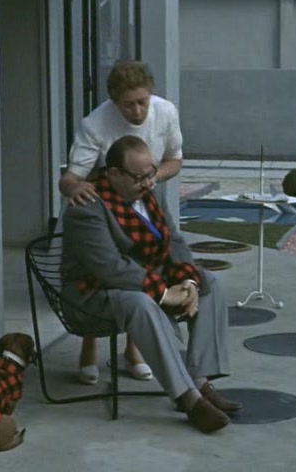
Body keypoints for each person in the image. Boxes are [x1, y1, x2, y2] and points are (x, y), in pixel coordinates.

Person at [59, 135, 242, 433]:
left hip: (142, 282)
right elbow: (110, 268)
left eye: (151, 173)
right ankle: (188, 400)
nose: (148, 183)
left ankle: (199, 381)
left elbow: (175, 242)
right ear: (114, 173)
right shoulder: (87, 207)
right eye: (139, 177)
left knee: (209, 282)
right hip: (90, 294)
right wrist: (164, 293)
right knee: (141, 302)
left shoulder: (149, 196)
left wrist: (187, 281)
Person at [58, 59, 184, 385]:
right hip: (105, 203)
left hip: (144, 194)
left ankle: (133, 351)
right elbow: (70, 178)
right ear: (114, 101)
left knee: (147, 256)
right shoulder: (94, 124)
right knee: (103, 265)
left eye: (142, 101)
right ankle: (89, 346)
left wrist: (153, 177)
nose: (137, 111)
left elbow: (175, 159)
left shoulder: (166, 112)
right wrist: (77, 188)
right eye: (128, 104)